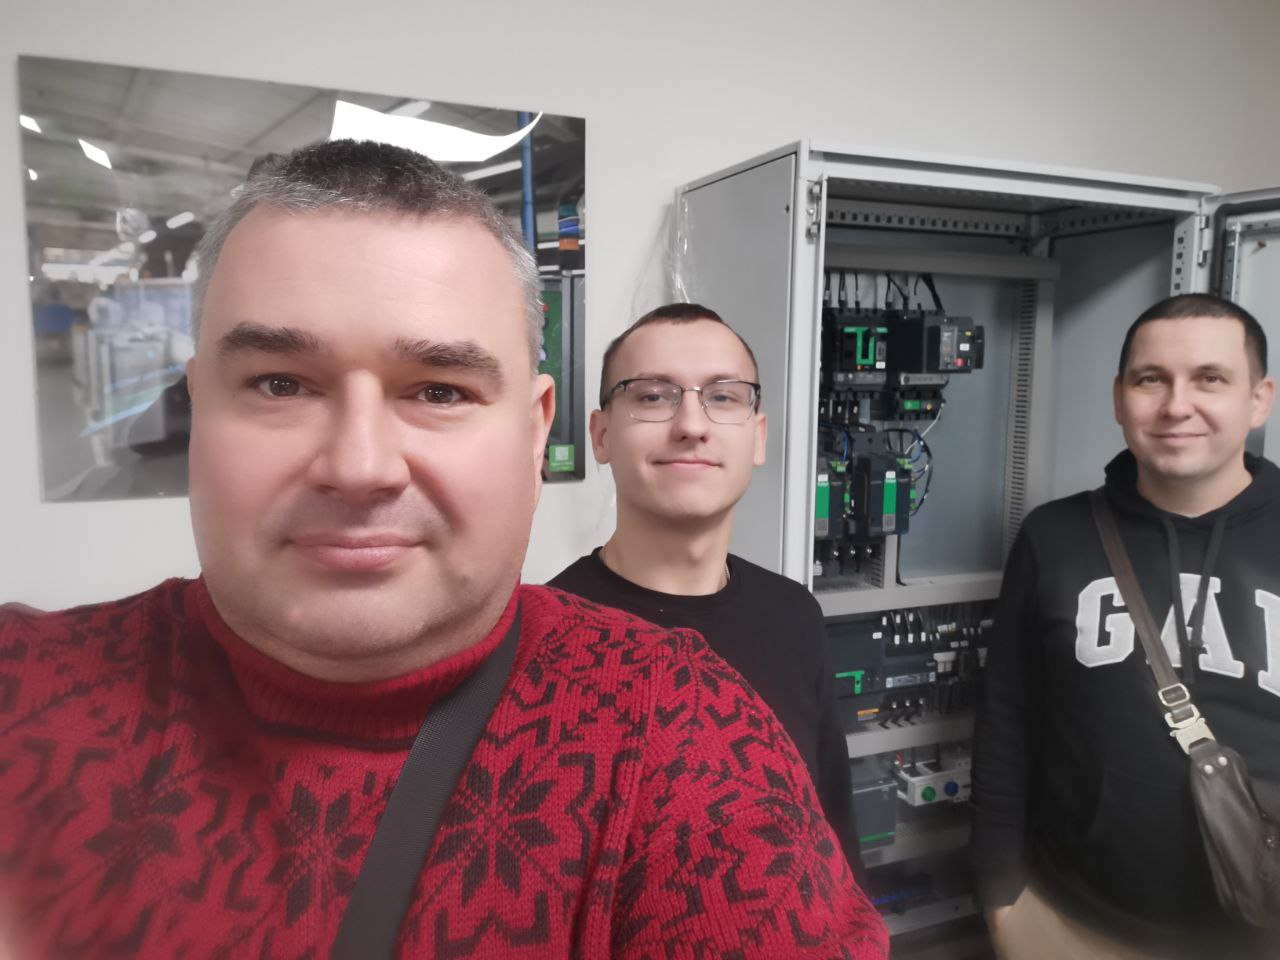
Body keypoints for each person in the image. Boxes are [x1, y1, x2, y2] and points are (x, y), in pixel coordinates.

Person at [0, 139, 887, 959]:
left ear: (535, 432)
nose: (358, 468)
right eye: (280, 384)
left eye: (439, 390)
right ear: (197, 407)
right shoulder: (27, 693)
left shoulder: (686, 738)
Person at [972, 293, 1280, 959]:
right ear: (1119, 399)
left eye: (1210, 378)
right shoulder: (1054, 536)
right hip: (1074, 924)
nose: (1176, 405)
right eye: (1151, 380)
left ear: (1259, 400)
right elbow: (1006, 729)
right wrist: (1002, 903)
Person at [550, 303, 864, 879]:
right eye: (652, 396)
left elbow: (835, 847)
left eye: (723, 397)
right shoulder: (542, 641)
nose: (692, 425)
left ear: (758, 437)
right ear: (601, 435)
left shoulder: (793, 616)